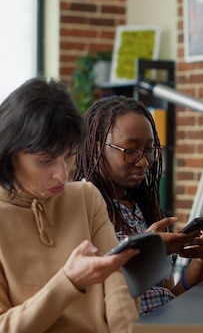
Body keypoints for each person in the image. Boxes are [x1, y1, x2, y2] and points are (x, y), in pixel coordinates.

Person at [0, 77, 139, 332]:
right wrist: (68, 282)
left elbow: (117, 290)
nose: (63, 174)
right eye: (46, 161)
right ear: (10, 155)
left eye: (70, 156)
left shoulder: (85, 197)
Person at [74, 96, 203, 316]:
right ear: (96, 149)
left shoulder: (138, 209)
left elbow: (168, 296)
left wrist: (200, 261)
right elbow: (87, 299)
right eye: (130, 151)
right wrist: (147, 253)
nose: (144, 162)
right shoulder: (79, 208)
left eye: (149, 150)